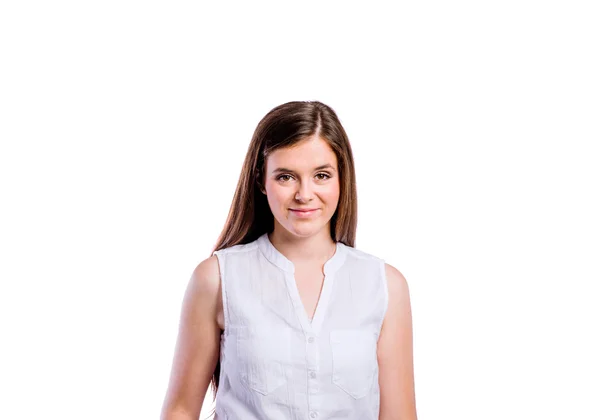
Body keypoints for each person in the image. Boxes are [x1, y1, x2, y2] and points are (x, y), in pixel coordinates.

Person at [160, 101, 417, 420]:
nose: (304, 194)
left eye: (321, 175)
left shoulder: (384, 285)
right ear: (261, 181)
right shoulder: (217, 279)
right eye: (286, 177)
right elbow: (181, 410)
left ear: (342, 178)